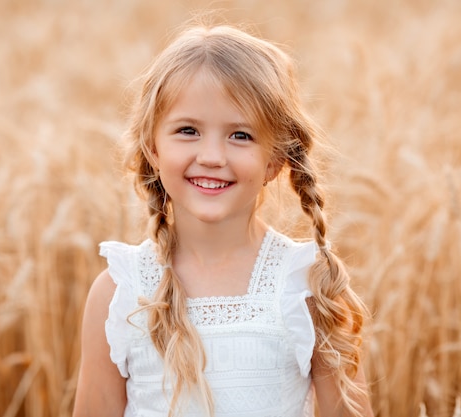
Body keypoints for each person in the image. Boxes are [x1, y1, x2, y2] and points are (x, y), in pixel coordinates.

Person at [73, 22, 374, 417]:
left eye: (241, 135)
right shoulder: (120, 292)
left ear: (276, 159)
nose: (212, 155)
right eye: (187, 130)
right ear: (152, 148)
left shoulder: (309, 284)